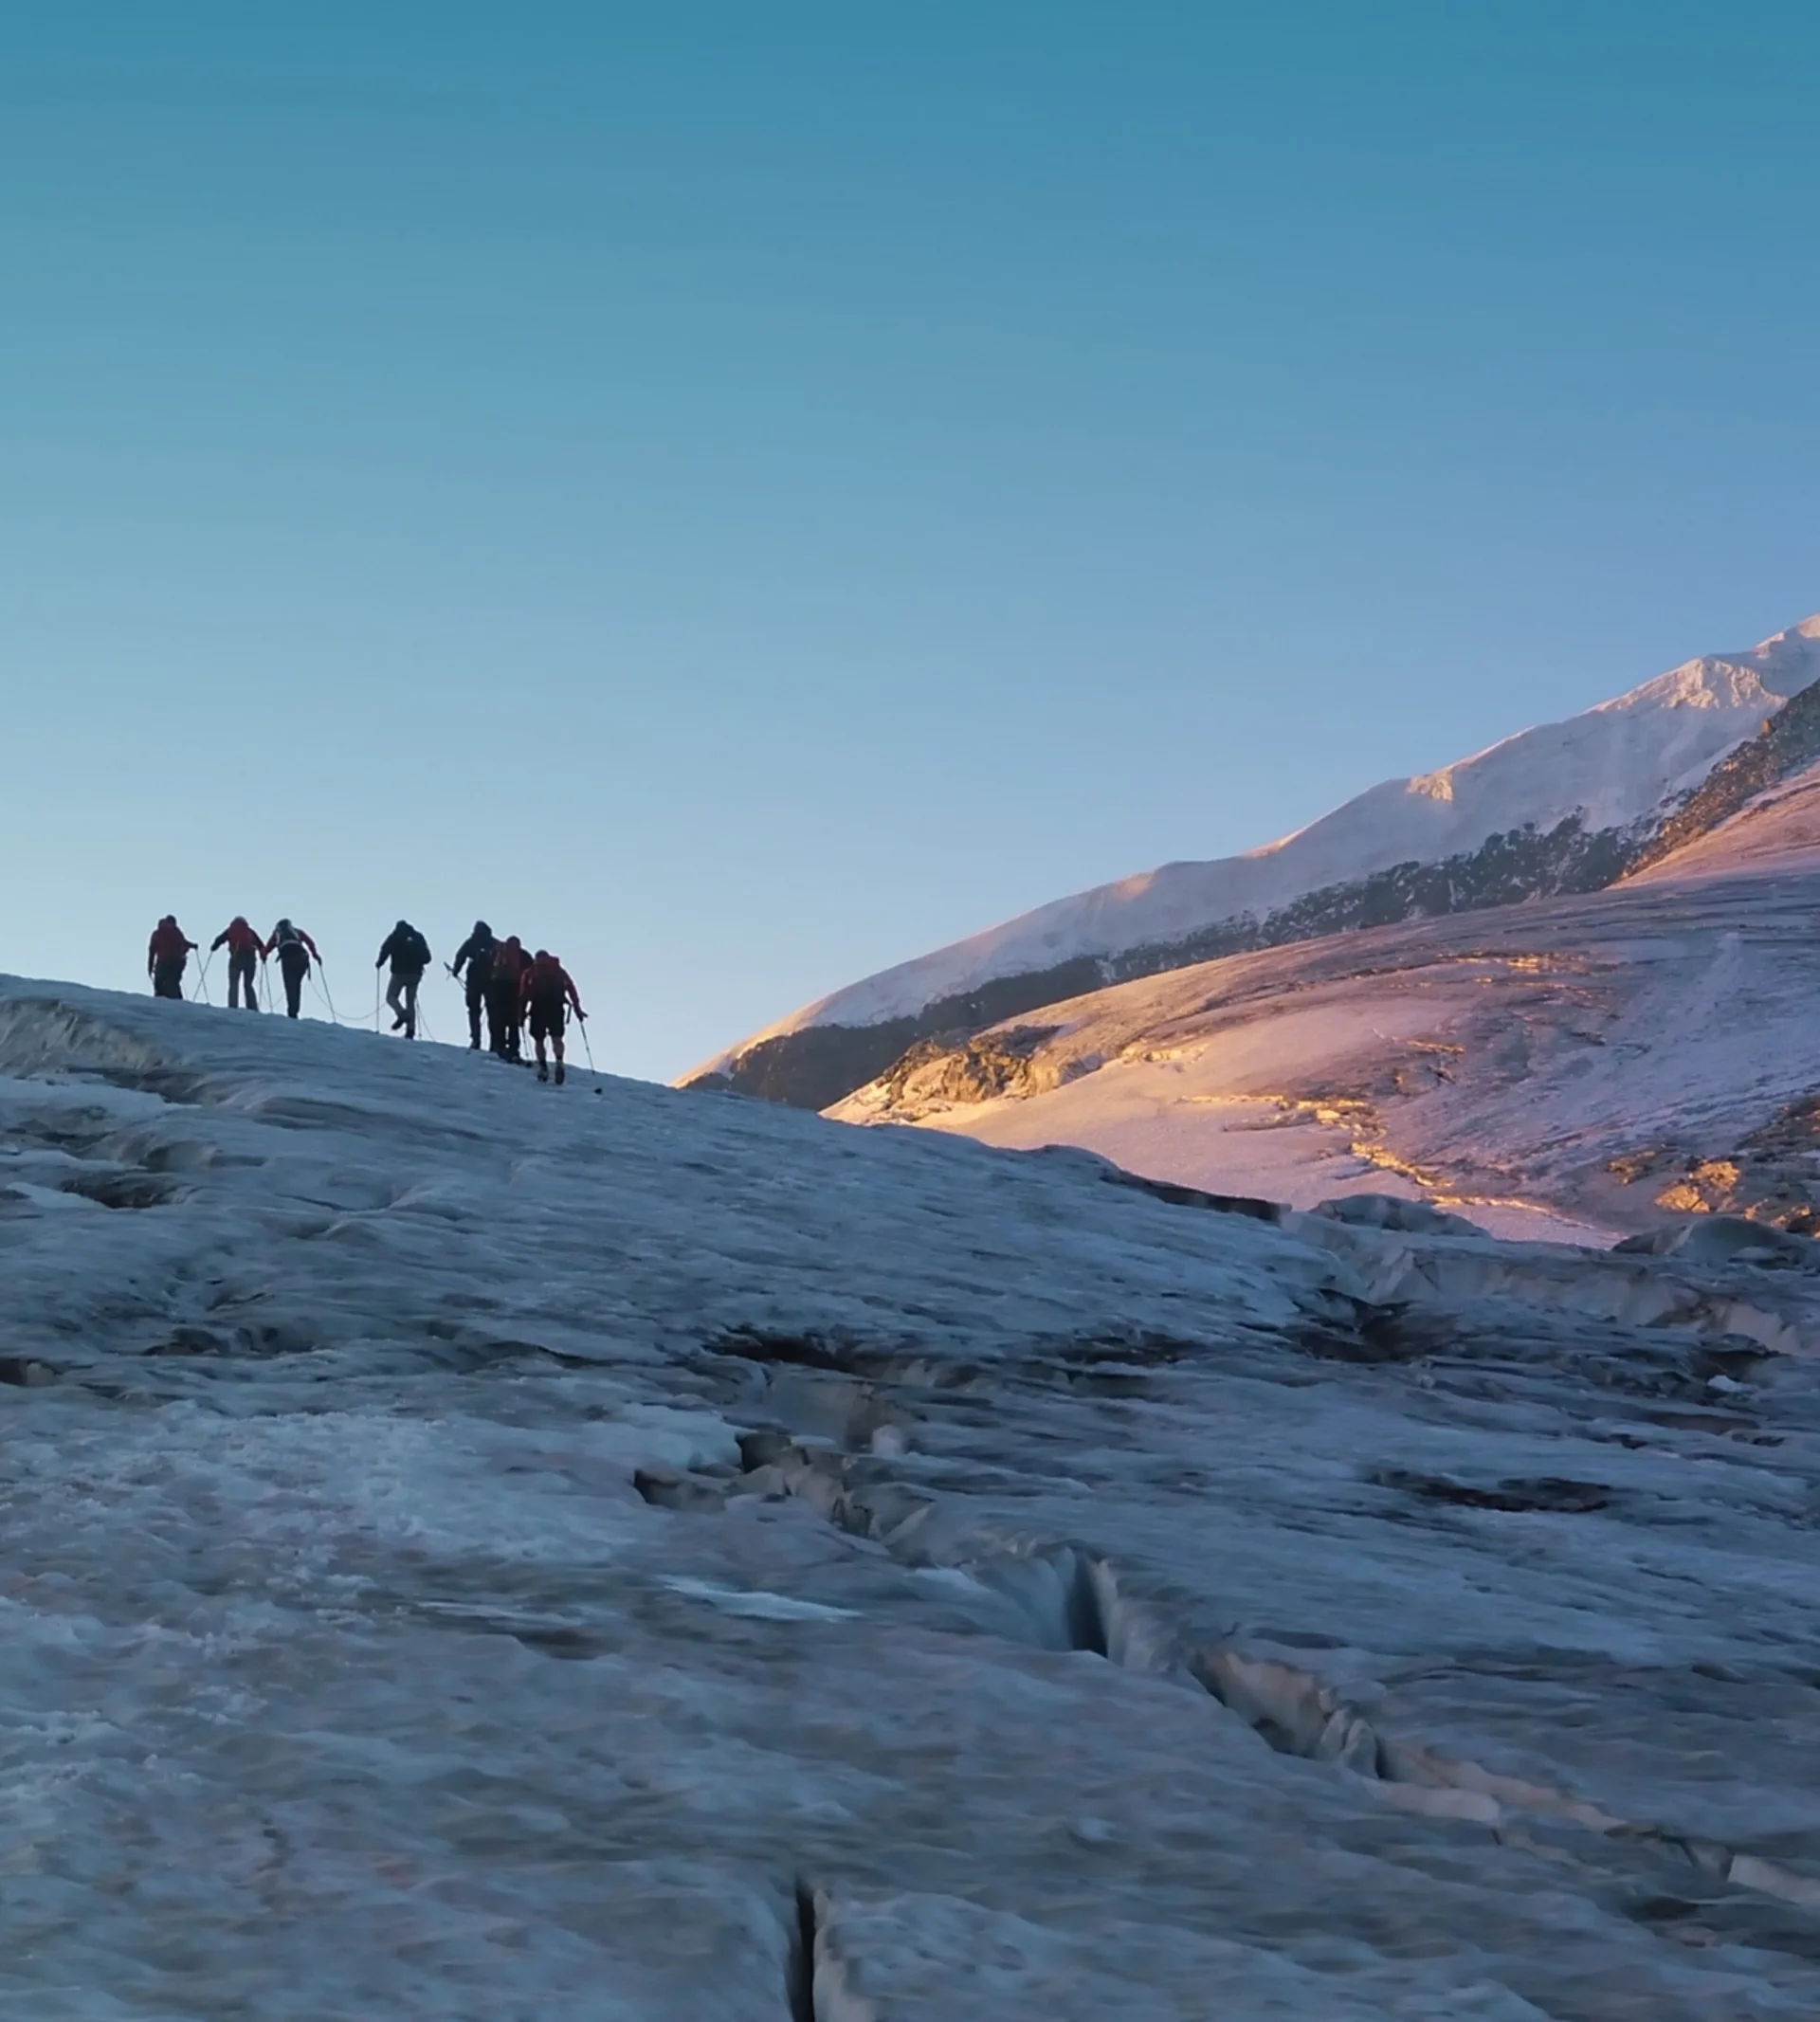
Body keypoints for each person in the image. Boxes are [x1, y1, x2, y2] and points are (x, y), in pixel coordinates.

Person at [519, 948, 585, 1084]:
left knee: (539, 1040)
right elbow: (571, 988)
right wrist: (577, 1008)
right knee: (557, 1038)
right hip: (556, 1007)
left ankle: (543, 1067)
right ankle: (559, 1061)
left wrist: (522, 1013)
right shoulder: (559, 971)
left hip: (538, 1008)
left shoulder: (530, 971)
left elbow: (523, 994)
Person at [375, 919, 431, 1039]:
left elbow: (385, 949)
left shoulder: (395, 936)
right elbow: (427, 958)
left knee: (391, 996)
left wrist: (379, 962)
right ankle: (410, 1030)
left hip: (399, 973)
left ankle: (401, 1013)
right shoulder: (418, 937)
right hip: (415, 974)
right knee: (410, 1001)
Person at [450, 920, 499, 1050]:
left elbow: (460, 955)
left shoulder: (472, 941)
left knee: (473, 1011)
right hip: (491, 981)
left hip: (473, 979)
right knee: (493, 1012)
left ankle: (475, 1040)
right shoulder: (494, 942)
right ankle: (495, 1043)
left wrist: (455, 971)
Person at [264, 918, 323, 1020]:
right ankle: (294, 1010)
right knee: (297, 985)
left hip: (287, 960)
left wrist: (263, 955)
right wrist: (315, 955)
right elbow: (310, 942)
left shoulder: (277, 934)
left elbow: (268, 947)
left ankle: (292, 1013)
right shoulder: (297, 931)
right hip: (302, 959)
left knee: (290, 987)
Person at [487, 935, 532, 1061]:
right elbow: (531, 972)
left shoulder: (498, 952)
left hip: (498, 989)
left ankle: (499, 1045)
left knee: (499, 1018)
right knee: (513, 1021)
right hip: (516, 989)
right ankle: (514, 1048)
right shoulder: (524, 955)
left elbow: (488, 968)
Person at [209, 917, 264, 1011]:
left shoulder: (230, 931)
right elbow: (260, 944)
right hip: (250, 958)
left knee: (234, 983)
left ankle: (233, 1006)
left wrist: (214, 947)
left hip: (236, 957)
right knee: (248, 984)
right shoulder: (250, 931)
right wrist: (263, 955)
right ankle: (252, 1007)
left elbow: (219, 939)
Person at [147, 916, 197, 1000]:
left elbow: (152, 951)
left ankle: (160, 1003)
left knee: (160, 985)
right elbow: (183, 944)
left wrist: (150, 967)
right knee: (173, 984)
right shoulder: (177, 932)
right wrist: (193, 946)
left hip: (162, 963)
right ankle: (177, 1003)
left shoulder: (157, 933)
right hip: (177, 962)